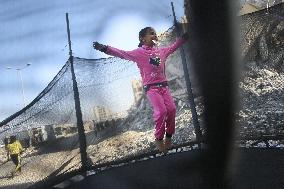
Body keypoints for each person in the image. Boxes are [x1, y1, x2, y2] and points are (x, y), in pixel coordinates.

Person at [93, 27, 188, 152]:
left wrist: (184, 38)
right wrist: (104, 48)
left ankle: (169, 136)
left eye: (155, 33)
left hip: (163, 86)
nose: (154, 35)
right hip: (152, 89)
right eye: (151, 34)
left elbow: (173, 47)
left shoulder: (161, 51)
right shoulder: (138, 53)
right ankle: (159, 138)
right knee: (161, 112)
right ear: (142, 39)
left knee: (171, 109)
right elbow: (121, 53)